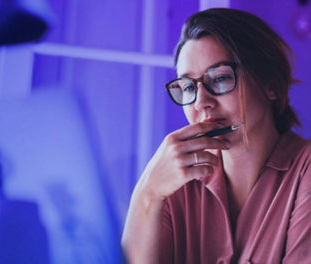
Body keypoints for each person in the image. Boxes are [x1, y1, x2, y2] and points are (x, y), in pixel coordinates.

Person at [121, 8, 311, 264]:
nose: (201, 102)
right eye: (188, 86)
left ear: (271, 86)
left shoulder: (305, 170)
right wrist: (148, 194)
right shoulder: (173, 185)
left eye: (220, 78)